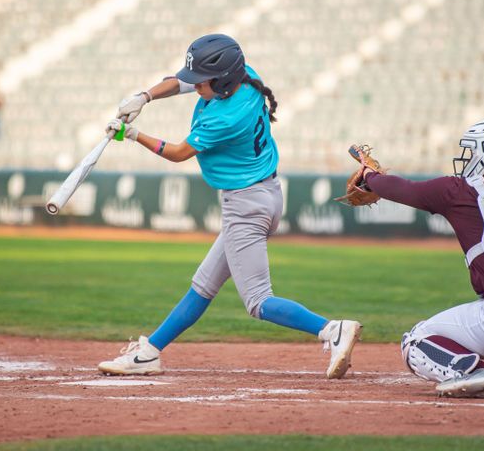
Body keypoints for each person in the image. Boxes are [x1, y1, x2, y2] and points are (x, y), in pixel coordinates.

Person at [97, 34, 363, 379]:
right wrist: (145, 96)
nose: (194, 86)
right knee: (203, 286)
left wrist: (131, 135)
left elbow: (178, 153)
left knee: (258, 301)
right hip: (264, 195)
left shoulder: (223, 118)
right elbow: (181, 82)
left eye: (201, 82)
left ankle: (332, 330)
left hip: (246, 206)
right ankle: (149, 353)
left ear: (222, 81)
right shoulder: (244, 76)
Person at [361, 117, 484, 398]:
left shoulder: (459, 190)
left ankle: (476, 372)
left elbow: (403, 189)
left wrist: (369, 177)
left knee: (416, 340)